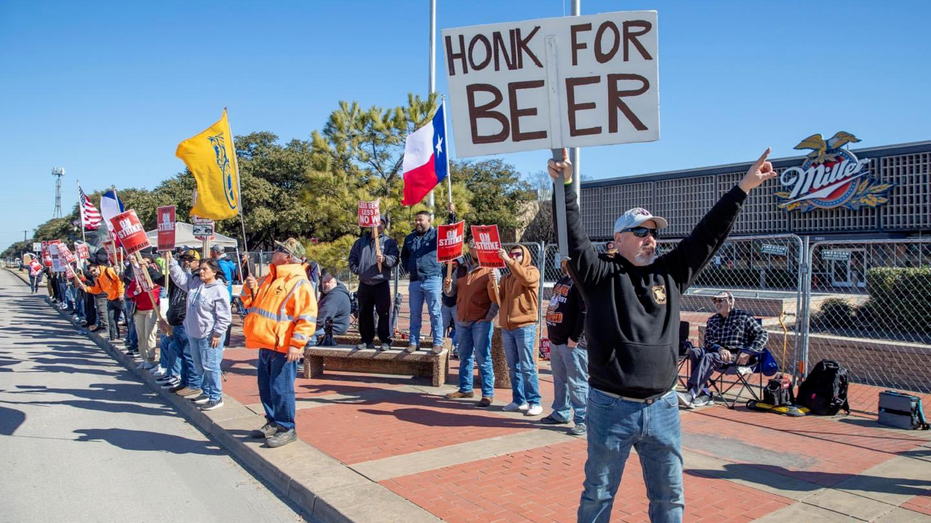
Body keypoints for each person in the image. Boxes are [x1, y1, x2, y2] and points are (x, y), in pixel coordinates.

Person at [549, 147, 777, 523]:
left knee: (670, 498)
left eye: (654, 232)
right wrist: (566, 186)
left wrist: (744, 188)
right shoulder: (599, 276)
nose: (650, 238)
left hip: (664, 408)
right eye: (640, 232)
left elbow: (709, 234)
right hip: (610, 408)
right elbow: (573, 239)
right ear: (618, 239)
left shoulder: (672, 273)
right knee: (599, 494)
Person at [242, 238, 317, 448]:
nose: (273, 252)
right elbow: (252, 303)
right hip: (266, 343)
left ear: (287, 257)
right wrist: (250, 289)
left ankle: (286, 427)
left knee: (281, 388)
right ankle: (273, 421)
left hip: (283, 346)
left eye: (278, 250)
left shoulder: (299, 282)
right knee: (266, 386)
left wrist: (297, 344)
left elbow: (307, 316)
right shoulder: (270, 277)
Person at [678, 291, 769, 408]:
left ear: (730, 302)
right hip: (718, 353)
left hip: (737, 356)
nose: (717, 303)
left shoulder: (743, 316)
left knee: (709, 357)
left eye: (721, 300)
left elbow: (762, 334)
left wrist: (748, 352)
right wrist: (720, 349)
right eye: (715, 300)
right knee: (695, 352)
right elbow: (708, 342)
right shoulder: (712, 320)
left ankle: (692, 393)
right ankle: (704, 393)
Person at [167, 253, 232, 411]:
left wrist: (217, 333)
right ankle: (206, 392)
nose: (201, 272)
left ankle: (216, 397)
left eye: (205, 269)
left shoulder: (219, 290)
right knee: (199, 366)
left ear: (214, 271)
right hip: (193, 333)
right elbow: (180, 278)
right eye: (200, 269)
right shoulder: (195, 283)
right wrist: (171, 262)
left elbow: (224, 316)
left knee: (211, 366)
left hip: (209, 336)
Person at [488, 244, 542, 416]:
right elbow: (496, 297)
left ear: (524, 256)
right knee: (513, 366)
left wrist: (509, 261)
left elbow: (526, 278)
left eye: (517, 254)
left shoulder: (532, 271)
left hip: (524, 325)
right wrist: (492, 283)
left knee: (527, 366)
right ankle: (519, 399)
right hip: (507, 327)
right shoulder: (506, 278)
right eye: (512, 254)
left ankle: (535, 401)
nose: (514, 256)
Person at [444, 238, 498, 408]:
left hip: (481, 320)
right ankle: (465, 388)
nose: (474, 249)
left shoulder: (490, 269)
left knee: (483, 357)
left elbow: (497, 295)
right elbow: (452, 293)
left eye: (476, 246)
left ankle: (488, 394)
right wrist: (447, 287)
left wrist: (489, 317)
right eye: (471, 246)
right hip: (462, 319)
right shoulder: (461, 268)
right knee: (464, 356)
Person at [541, 258, 589, 436]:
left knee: (577, 382)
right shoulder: (562, 280)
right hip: (557, 341)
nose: (565, 264)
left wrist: (575, 338)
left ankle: (583, 419)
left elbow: (584, 311)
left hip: (572, 344)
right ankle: (561, 412)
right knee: (560, 380)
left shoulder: (580, 282)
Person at [400, 203, 456, 353]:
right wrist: (408, 266)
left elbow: (451, 232)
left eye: (421, 220)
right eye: (416, 220)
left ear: (429, 221)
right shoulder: (410, 238)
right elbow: (404, 255)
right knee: (415, 313)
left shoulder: (436, 235)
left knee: (435, 312)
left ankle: (437, 342)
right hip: (415, 281)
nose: (418, 222)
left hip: (432, 278)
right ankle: (413, 342)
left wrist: (451, 215)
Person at [349, 216, 399, 350]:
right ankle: (366, 339)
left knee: (384, 312)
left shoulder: (389, 242)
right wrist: (358, 270)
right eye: (377, 223)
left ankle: (386, 340)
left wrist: (384, 259)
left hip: (381, 282)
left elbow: (395, 260)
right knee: (364, 313)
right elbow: (352, 258)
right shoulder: (360, 243)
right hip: (365, 283)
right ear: (371, 225)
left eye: (382, 223)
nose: (379, 225)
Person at [153, 252, 199, 393]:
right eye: (184, 260)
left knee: (189, 356)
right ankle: (180, 379)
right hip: (177, 323)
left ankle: (192, 384)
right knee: (175, 348)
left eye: (190, 260)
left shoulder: (194, 282)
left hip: (186, 324)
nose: (186, 263)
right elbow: (168, 277)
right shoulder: (177, 280)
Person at [126, 255, 162, 373]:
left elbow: (156, 290)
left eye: (146, 262)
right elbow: (129, 293)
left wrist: (148, 286)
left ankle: (150, 359)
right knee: (140, 334)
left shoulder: (154, 277)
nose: (142, 264)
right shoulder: (136, 279)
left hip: (152, 309)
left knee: (150, 334)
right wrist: (136, 291)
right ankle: (144, 358)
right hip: (139, 310)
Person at [85, 261, 126, 341]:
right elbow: (97, 290)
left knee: (128, 318)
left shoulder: (109, 271)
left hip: (120, 298)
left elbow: (119, 281)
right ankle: (113, 337)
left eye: (94, 270)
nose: (93, 273)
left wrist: (121, 293)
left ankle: (131, 339)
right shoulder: (97, 279)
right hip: (111, 299)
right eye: (91, 272)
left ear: (98, 267)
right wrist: (87, 289)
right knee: (111, 319)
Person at [313, 272, 351, 345]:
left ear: (335, 282)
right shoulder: (331, 293)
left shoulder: (334, 297)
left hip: (334, 329)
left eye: (329, 282)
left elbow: (321, 319)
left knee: (305, 333)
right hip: (330, 327)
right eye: (324, 282)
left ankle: (308, 351)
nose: (326, 284)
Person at [440, 258, 461, 356]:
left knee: (458, 326)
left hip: (457, 304)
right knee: (442, 324)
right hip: (446, 303)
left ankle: (457, 348)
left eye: (454, 263)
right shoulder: (444, 270)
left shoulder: (461, 270)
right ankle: (440, 345)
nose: (452, 264)